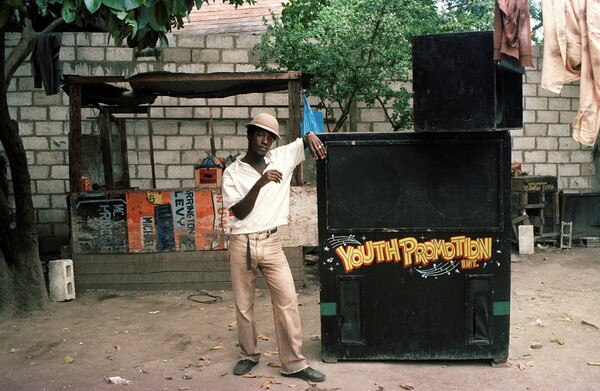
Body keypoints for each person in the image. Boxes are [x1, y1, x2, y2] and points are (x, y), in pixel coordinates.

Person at [221, 112, 326, 382]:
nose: (265, 140)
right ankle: (249, 355)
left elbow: (302, 141)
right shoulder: (232, 171)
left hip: (272, 242)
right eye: (260, 134)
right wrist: (261, 181)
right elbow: (240, 213)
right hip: (242, 243)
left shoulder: (281, 157)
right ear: (250, 135)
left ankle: (294, 364)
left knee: (287, 301)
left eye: (269, 137)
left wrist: (310, 135)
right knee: (244, 305)